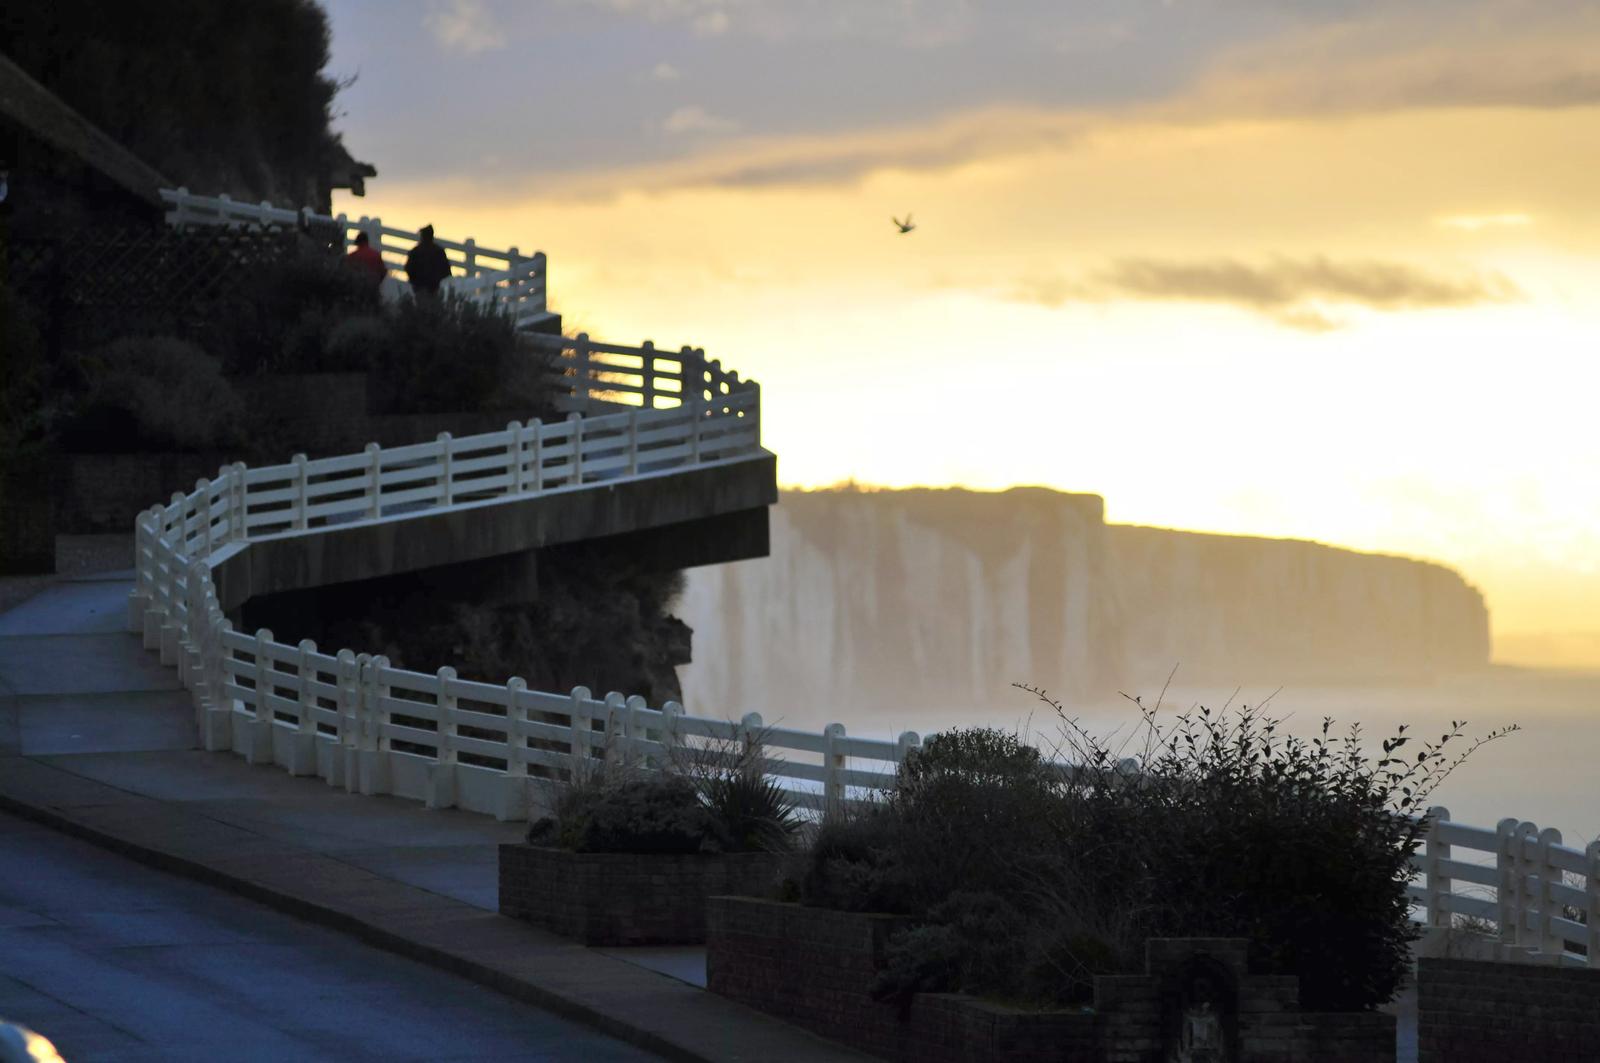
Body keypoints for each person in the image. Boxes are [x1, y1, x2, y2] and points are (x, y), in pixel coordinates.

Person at [404, 224, 452, 298]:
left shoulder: (416, 251)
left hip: (419, 287)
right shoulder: (439, 251)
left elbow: (408, 268)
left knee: (421, 306)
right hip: (433, 288)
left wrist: (414, 280)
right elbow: (447, 271)